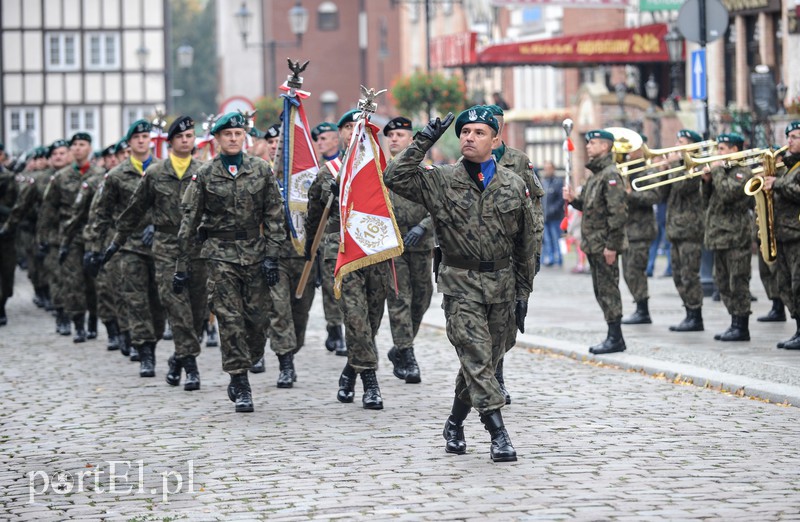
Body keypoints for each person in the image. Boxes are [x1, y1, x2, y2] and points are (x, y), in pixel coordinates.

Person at [384, 107, 536, 463]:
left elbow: (526, 245)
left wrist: (523, 292)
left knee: (482, 360)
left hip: (501, 286)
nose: (469, 137)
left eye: (479, 132)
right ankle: (498, 434)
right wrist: (424, 139)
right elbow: (395, 176)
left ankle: (454, 422)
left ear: (496, 140)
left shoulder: (513, 184)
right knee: (478, 359)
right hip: (460, 284)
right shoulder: (441, 180)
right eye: (464, 131)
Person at [174, 112, 284, 413]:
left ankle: (245, 362)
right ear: (218, 139)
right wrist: (181, 265)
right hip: (220, 255)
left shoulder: (261, 170)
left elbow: (274, 215)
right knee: (230, 320)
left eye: (238, 133)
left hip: (255, 253)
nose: (233, 138)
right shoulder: (205, 174)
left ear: (244, 137)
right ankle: (240, 379)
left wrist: (273, 256)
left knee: (258, 321)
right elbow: (189, 221)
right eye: (228, 134)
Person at [104, 116, 208, 391]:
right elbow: (134, 210)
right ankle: (191, 367)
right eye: (181, 137)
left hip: (196, 248)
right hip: (165, 246)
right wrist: (116, 241)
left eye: (190, 136)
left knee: (198, 311)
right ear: (171, 142)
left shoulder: (205, 170)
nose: (186, 141)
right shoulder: (156, 173)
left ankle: (178, 357)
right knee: (177, 308)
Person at [306, 108, 389, 409]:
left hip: (375, 251)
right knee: (355, 318)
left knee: (372, 321)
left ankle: (349, 372)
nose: (355, 130)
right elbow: (314, 218)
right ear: (341, 134)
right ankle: (370, 382)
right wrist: (309, 250)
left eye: (360, 126)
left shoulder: (380, 169)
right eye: (349, 127)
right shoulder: (327, 173)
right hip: (342, 253)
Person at [91, 120, 166, 375]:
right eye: (137, 137)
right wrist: (95, 248)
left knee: (157, 303)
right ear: (130, 143)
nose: (142, 141)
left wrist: (156, 225)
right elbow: (102, 213)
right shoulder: (116, 176)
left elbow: (174, 207)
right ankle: (145, 352)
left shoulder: (163, 169)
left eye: (146, 136)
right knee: (136, 300)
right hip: (128, 246)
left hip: (159, 246)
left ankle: (152, 340)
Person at [486, 103, 544, 405]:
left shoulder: (519, 162)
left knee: (506, 324)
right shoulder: (465, 162)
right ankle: (485, 377)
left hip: (510, 258)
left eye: (493, 123)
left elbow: (534, 206)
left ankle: (496, 372)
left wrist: (533, 248)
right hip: (477, 258)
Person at [563, 129, 628, 354]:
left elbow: (618, 214)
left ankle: (616, 337)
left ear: (605, 147)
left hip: (604, 245)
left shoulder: (610, 175)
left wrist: (612, 245)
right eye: (588, 143)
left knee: (609, 290)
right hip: (594, 243)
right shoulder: (596, 176)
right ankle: (612, 334)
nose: (588, 146)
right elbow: (591, 207)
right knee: (601, 290)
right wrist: (574, 200)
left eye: (593, 143)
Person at [39, 133, 105, 341]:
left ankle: (94, 320)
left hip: (94, 235)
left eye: (82, 144)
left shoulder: (101, 175)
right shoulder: (61, 177)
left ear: (89, 148)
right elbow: (49, 209)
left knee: (94, 281)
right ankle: (78, 324)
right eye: (74, 145)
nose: (77, 148)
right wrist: (44, 237)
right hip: (69, 235)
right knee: (72, 281)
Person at [383, 116, 433, 384]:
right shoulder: (380, 172)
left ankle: (400, 347)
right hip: (392, 246)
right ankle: (407, 353)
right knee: (400, 298)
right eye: (390, 135)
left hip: (421, 244)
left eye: (400, 135)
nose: (394, 139)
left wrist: (423, 227)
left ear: (411, 140)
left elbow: (439, 207)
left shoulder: (426, 172)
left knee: (422, 297)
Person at [701, 132, 753, 341]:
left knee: (737, 282)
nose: (717, 153)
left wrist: (717, 172)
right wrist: (706, 181)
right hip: (718, 235)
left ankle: (742, 326)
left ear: (734, 150)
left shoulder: (743, 172)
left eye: (722, 149)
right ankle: (733, 322)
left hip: (736, 236)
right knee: (722, 282)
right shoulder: (721, 172)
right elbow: (707, 202)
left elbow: (727, 194)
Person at [658, 129, 707, 332]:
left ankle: (696, 316)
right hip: (675, 229)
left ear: (693, 146)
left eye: (682, 141)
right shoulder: (678, 167)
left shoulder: (694, 166)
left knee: (689, 274)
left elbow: (683, 188)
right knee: (678, 274)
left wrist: (675, 165)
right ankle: (688, 311)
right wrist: (663, 170)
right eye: (677, 140)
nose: (677, 145)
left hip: (690, 229)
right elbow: (662, 194)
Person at [762, 121, 800, 348]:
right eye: (789, 137)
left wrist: (777, 184)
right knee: (785, 285)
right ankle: (797, 328)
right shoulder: (786, 167)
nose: (789, 141)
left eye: (795, 137)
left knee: (798, 285)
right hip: (782, 234)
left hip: (797, 235)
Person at [310, 121, 346, 354]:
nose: (320, 143)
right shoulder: (321, 169)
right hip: (328, 238)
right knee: (329, 286)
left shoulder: (349, 163)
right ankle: (335, 327)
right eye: (318, 140)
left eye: (324, 139)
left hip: (353, 236)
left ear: (336, 139)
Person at [621, 135, 660, 325]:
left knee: (636, 271)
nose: (628, 153)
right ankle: (638, 305)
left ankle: (643, 310)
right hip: (627, 231)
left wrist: (632, 195)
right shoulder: (625, 171)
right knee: (628, 272)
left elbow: (654, 196)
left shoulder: (647, 171)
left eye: (631, 148)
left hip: (641, 229)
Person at [0, 142, 18, 326]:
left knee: (7, 271)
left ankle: (3, 302)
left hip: (6, 232)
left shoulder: (9, 178)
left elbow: (18, 205)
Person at [541, 160, 564, 267]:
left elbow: (561, 200)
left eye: (549, 168)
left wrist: (553, 210)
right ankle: (549, 258)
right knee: (547, 239)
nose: (547, 170)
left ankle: (558, 258)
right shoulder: (542, 182)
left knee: (556, 238)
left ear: (553, 169)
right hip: (544, 216)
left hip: (555, 216)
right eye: (545, 168)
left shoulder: (558, 182)